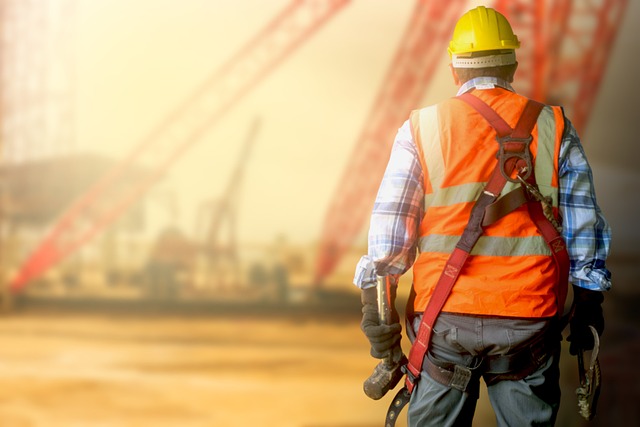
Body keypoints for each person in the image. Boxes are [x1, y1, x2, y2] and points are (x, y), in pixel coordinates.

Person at [353, 6, 611, 427]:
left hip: (444, 323)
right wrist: (587, 304)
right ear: (512, 63)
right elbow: (585, 229)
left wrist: (378, 318)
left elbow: (388, 239)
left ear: (454, 67)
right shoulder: (555, 127)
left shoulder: (422, 129)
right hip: (529, 322)